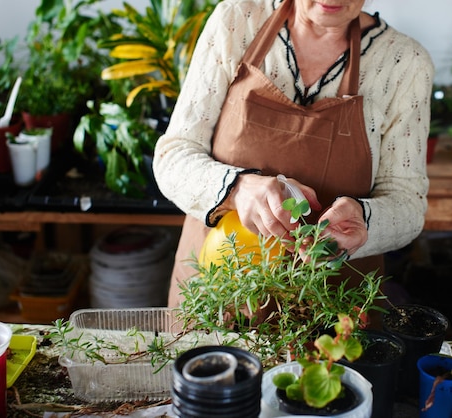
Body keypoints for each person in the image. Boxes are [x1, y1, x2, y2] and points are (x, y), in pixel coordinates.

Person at [153, 0, 434, 310]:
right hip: (216, 295)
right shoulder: (236, 22)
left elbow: (408, 204)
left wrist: (365, 219)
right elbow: (173, 155)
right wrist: (236, 190)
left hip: (329, 311)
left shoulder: (405, 64)